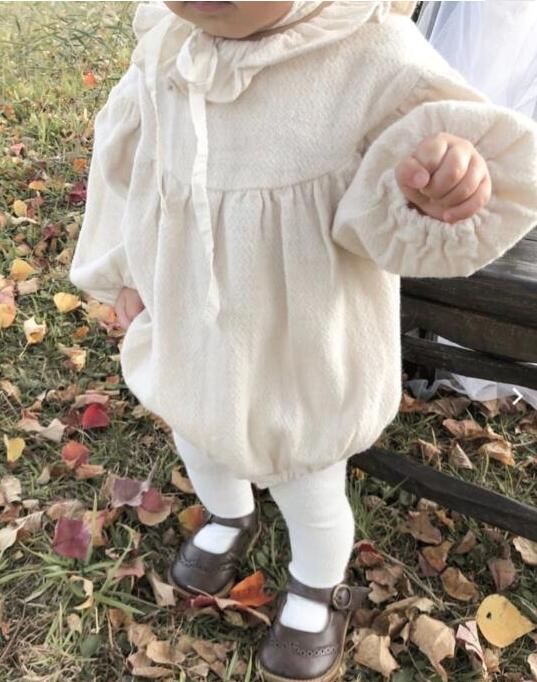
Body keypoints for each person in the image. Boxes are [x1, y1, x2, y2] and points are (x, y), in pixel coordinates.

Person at [68, 2, 537, 680]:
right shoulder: (168, 44)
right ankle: (230, 515)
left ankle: (317, 586)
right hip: (191, 317)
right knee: (195, 431)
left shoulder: (369, 53)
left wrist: (442, 183)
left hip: (300, 337)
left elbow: (407, 189)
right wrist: (124, 270)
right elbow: (127, 163)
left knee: (306, 478)